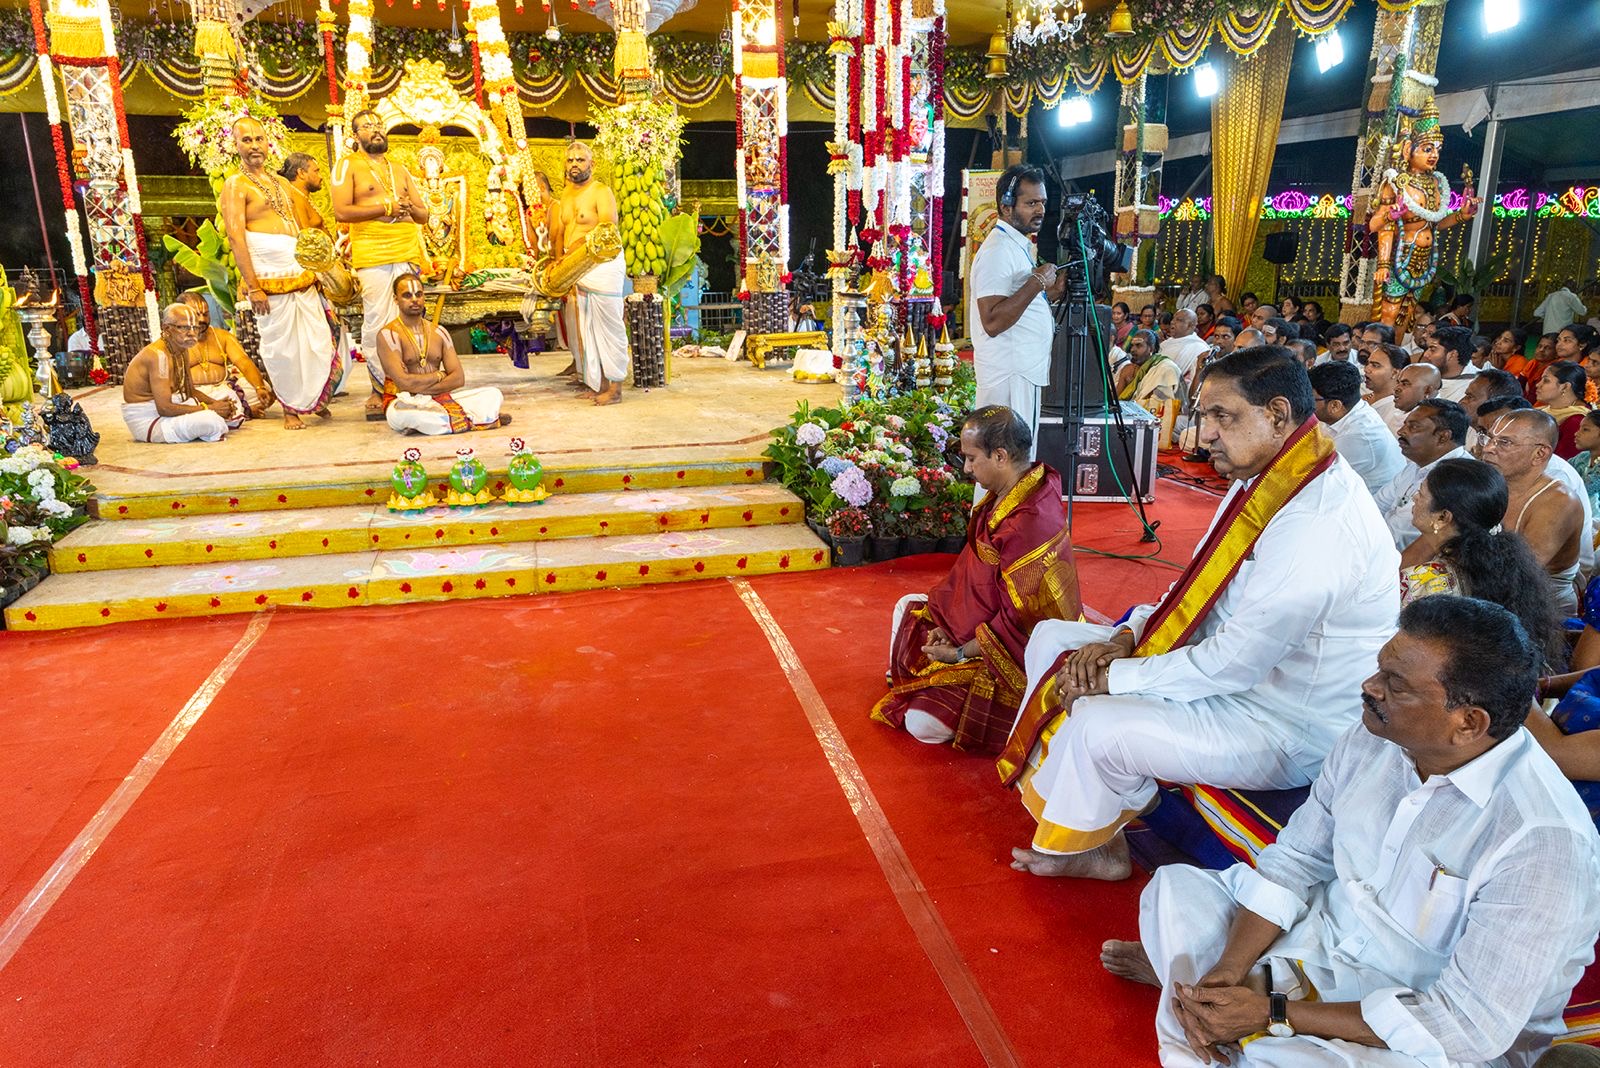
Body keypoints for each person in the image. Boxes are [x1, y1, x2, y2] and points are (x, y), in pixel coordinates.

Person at [1103, 596, 1600, 1068]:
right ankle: (1220, 1005)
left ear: (1468, 723)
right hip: (1322, 942)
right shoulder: (1374, 736)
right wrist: (1226, 972)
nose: (1370, 686)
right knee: (1175, 891)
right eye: (1380, 669)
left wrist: (1273, 1014)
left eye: (1396, 685)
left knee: (1288, 1058)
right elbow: (1296, 862)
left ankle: (1216, 1010)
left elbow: (1465, 1025)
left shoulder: (1542, 841)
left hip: (1417, 1017)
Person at [1001, 347, 1399, 881]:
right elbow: (1194, 586)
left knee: (1097, 720)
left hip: (1281, 724)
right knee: (1053, 637)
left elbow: (1235, 664)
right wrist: (1127, 636)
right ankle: (1089, 808)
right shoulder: (1268, 477)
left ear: (1277, 414)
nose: (1203, 433)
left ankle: (1100, 847)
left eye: (1221, 416)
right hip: (1232, 679)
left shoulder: (1318, 523)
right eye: (1203, 414)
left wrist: (1113, 678)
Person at [872, 406, 1078, 753]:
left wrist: (958, 652)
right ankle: (927, 680)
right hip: (979, 625)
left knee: (922, 724)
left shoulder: (1028, 523)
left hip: (1019, 654)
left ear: (1000, 456)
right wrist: (948, 622)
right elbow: (972, 579)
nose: (966, 469)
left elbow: (1019, 622)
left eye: (971, 458)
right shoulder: (1015, 491)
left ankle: (1009, 713)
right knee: (906, 606)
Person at [219, 118, 342, 431]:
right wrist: (253, 286)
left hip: (300, 273)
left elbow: (303, 226)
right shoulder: (235, 185)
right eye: (246, 140)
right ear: (235, 145)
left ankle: (312, 398)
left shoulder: (282, 183)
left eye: (259, 139)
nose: (254, 146)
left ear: (267, 142)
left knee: (317, 340)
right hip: (268, 277)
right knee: (282, 348)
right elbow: (235, 237)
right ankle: (290, 407)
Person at [1399, 457, 1566, 666]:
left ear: (1443, 517)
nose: (1414, 498)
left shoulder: (1423, 580)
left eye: (1421, 494)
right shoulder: (1505, 565)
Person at [332, 108, 429, 420]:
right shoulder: (348, 165)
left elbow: (424, 215)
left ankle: (410, 382)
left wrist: (407, 207)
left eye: (378, 124)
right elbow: (341, 211)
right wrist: (385, 207)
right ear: (355, 135)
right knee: (377, 322)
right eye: (367, 126)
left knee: (410, 318)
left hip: (407, 251)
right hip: (373, 253)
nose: (375, 129)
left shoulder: (399, 168)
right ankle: (379, 387)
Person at [969, 165, 1064, 454]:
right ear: (1006, 206)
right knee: (1006, 461)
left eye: (1042, 202)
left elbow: (1019, 303)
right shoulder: (998, 250)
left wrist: (1051, 291)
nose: (1040, 210)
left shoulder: (1015, 245)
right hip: (1008, 376)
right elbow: (992, 321)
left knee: (1016, 458)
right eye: (1031, 203)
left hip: (1019, 372)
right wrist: (1037, 282)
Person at [1481, 408, 1586, 615]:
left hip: (1540, 614)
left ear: (1540, 454)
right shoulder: (1490, 483)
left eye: (1504, 442)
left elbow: (1514, 578)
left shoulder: (1559, 502)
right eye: (1489, 438)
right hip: (1488, 597)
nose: (1488, 448)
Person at [376, 273, 508, 435]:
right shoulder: (388, 335)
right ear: (396, 299)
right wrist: (439, 375)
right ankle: (475, 419)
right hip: (404, 400)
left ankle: (434, 423)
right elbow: (404, 384)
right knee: (402, 414)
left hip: (438, 398)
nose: (415, 300)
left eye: (419, 294)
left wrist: (421, 388)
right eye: (407, 295)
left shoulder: (439, 332)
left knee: (492, 394)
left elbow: (458, 378)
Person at [549, 140, 629, 406]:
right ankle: (600, 385)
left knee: (609, 327)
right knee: (587, 329)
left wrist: (575, 250)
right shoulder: (565, 194)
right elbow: (561, 232)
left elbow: (607, 228)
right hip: (576, 267)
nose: (575, 164)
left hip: (602, 264)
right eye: (570, 160)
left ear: (591, 164)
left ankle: (616, 389)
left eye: (580, 160)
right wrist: (559, 261)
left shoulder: (601, 191)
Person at [120, 303, 235, 443]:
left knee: (228, 395)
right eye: (184, 327)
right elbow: (164, 408)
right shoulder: (158, 356)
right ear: (166, 328)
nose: (192, 333)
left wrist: (217, 404)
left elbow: (190, 391)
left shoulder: (182, 350)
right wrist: (209, 408)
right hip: (151, 420)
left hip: (171, 408)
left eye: (195, 327)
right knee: (211, 421)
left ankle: (210, 418)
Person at [1373, 398, 1471, 549]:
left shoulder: (1458, 478)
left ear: (1443, 437)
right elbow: (1376, 505)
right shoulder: (1419, 462)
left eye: (1413, 427)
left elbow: (1398, 537)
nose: (1401, 431)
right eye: (1405, 424)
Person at [173, 292, 274, 427]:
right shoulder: (173, 341)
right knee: (175, 401)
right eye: (197, 314)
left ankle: (229, 410)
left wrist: (259, 387)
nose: (202, 319)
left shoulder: (223, 336)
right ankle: (242, 409)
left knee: (264, 388)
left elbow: (243, 362)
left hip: (224, 387)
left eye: (206, 314)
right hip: (194, 392)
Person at [1310, 361, 1405, 497]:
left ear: (1335, 406)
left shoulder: (1358, 436)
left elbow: (1317, 480)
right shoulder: (1345, 411)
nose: (1306, 403)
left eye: (1311, 399)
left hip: (1370, 503)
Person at [1534, 360, 1591, 459]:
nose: (1538, 385)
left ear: (1565, 387)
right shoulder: (1542, 410)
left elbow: (1563, 460)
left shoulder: (1577, 421)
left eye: (1546, 380)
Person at [1461, 365, 1525, 451]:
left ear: (1493, 403)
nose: (1462, 401)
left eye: (1470, 397)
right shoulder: (1466, 427)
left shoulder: (1504, 447)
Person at [1120, 328, 1181, 403]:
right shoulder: (1131, 369)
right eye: (1132, 345)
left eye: (1138, 345)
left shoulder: (1166, 369)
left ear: (1151, 349)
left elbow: (1161, 404)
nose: (1132, 349)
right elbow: (1115, 400)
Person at [1424, 324, 1479, 402]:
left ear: (1452, 354)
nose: (1426, 354)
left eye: (1433, 350)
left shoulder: (1476, 385)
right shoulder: (1424, 376)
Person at [1365, 342, 1411, 435]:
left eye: (1375, 365)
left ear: (1395, 373)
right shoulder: (1364, 398)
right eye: (1368, 363)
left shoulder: (1397, 410)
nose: (1366, 369)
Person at [279, 151, 326, 232]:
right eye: (316, 171)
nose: (321, 177)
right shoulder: (294, 198)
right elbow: (304, 236)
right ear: (301, 173)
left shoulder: (302, 196)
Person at [1161, 308, 1209, 383]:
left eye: (1179, 320)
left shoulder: (1200, 348)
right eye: (1173, 319)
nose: (1172, 322)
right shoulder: (1166, 343)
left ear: (1190, 326)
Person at [1568, 410, 1600, 514]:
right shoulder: (1582, 458)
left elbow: (1584, 491)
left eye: (1585, 429)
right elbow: (1562, 472)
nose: (1576, 433)